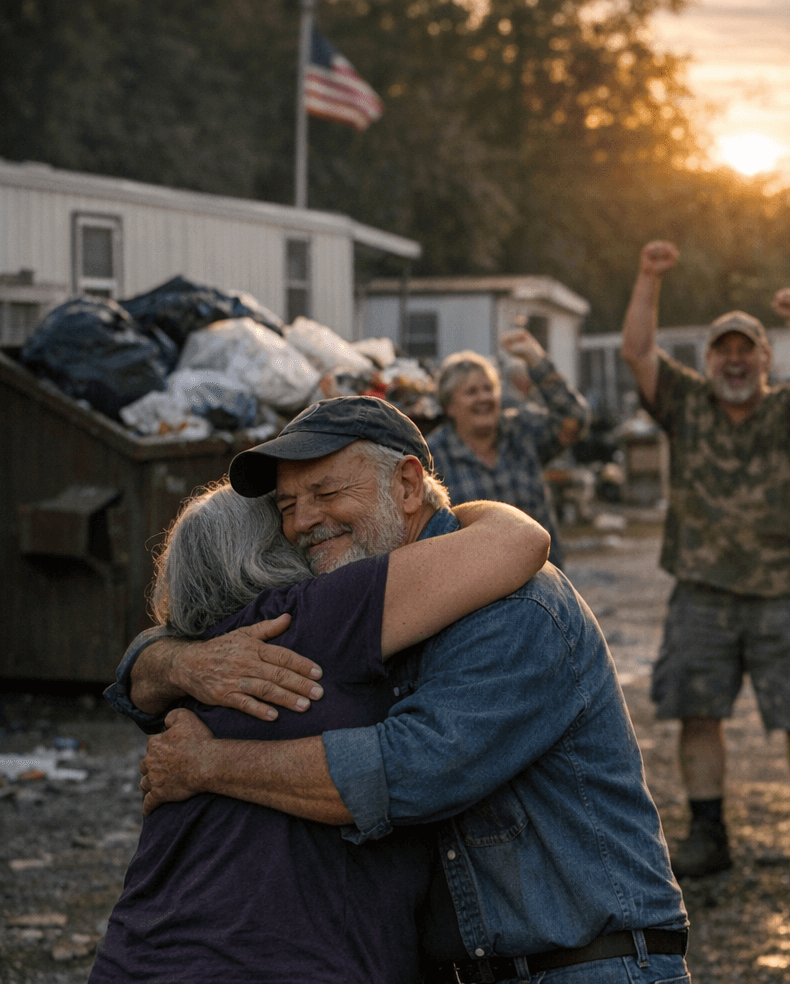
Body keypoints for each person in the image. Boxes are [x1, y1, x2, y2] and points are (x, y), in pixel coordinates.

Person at [115, 395, 691, 984]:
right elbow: (167, 653)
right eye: (287, 506)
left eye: (326, 492)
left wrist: (208, 764)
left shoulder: (515, 604)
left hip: (592, 966)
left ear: (408, 486)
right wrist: (181, 661)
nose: (303, 522)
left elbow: (415, 772)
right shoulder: (369, 607)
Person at [92, 482, 548, 982]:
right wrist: (436, 505)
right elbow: (517, 540)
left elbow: (132, 681)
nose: (306, 527)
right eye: (287, 517)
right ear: (270, 552)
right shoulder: (314, 613)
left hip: (132, 960)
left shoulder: (202, 662)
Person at [619, 240, 790, 882]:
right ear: (707, 360)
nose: (733, 359)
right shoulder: (685, 402)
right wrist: (648, 276)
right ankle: (708, 833)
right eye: (722, 349)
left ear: (764, 359)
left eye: (745, 349)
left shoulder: (786, 409)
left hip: (785, 591)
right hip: (702, 590)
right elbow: (637, 352)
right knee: (698, 714)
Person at [428, 329, 589, 568]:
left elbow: (575, 419)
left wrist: (535, 359)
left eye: (488, 388)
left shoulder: (521, 431)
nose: (483, 398)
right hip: (479, 585)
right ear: (449, 405)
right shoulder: (433, 456)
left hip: (544, 576)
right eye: (471, 392)